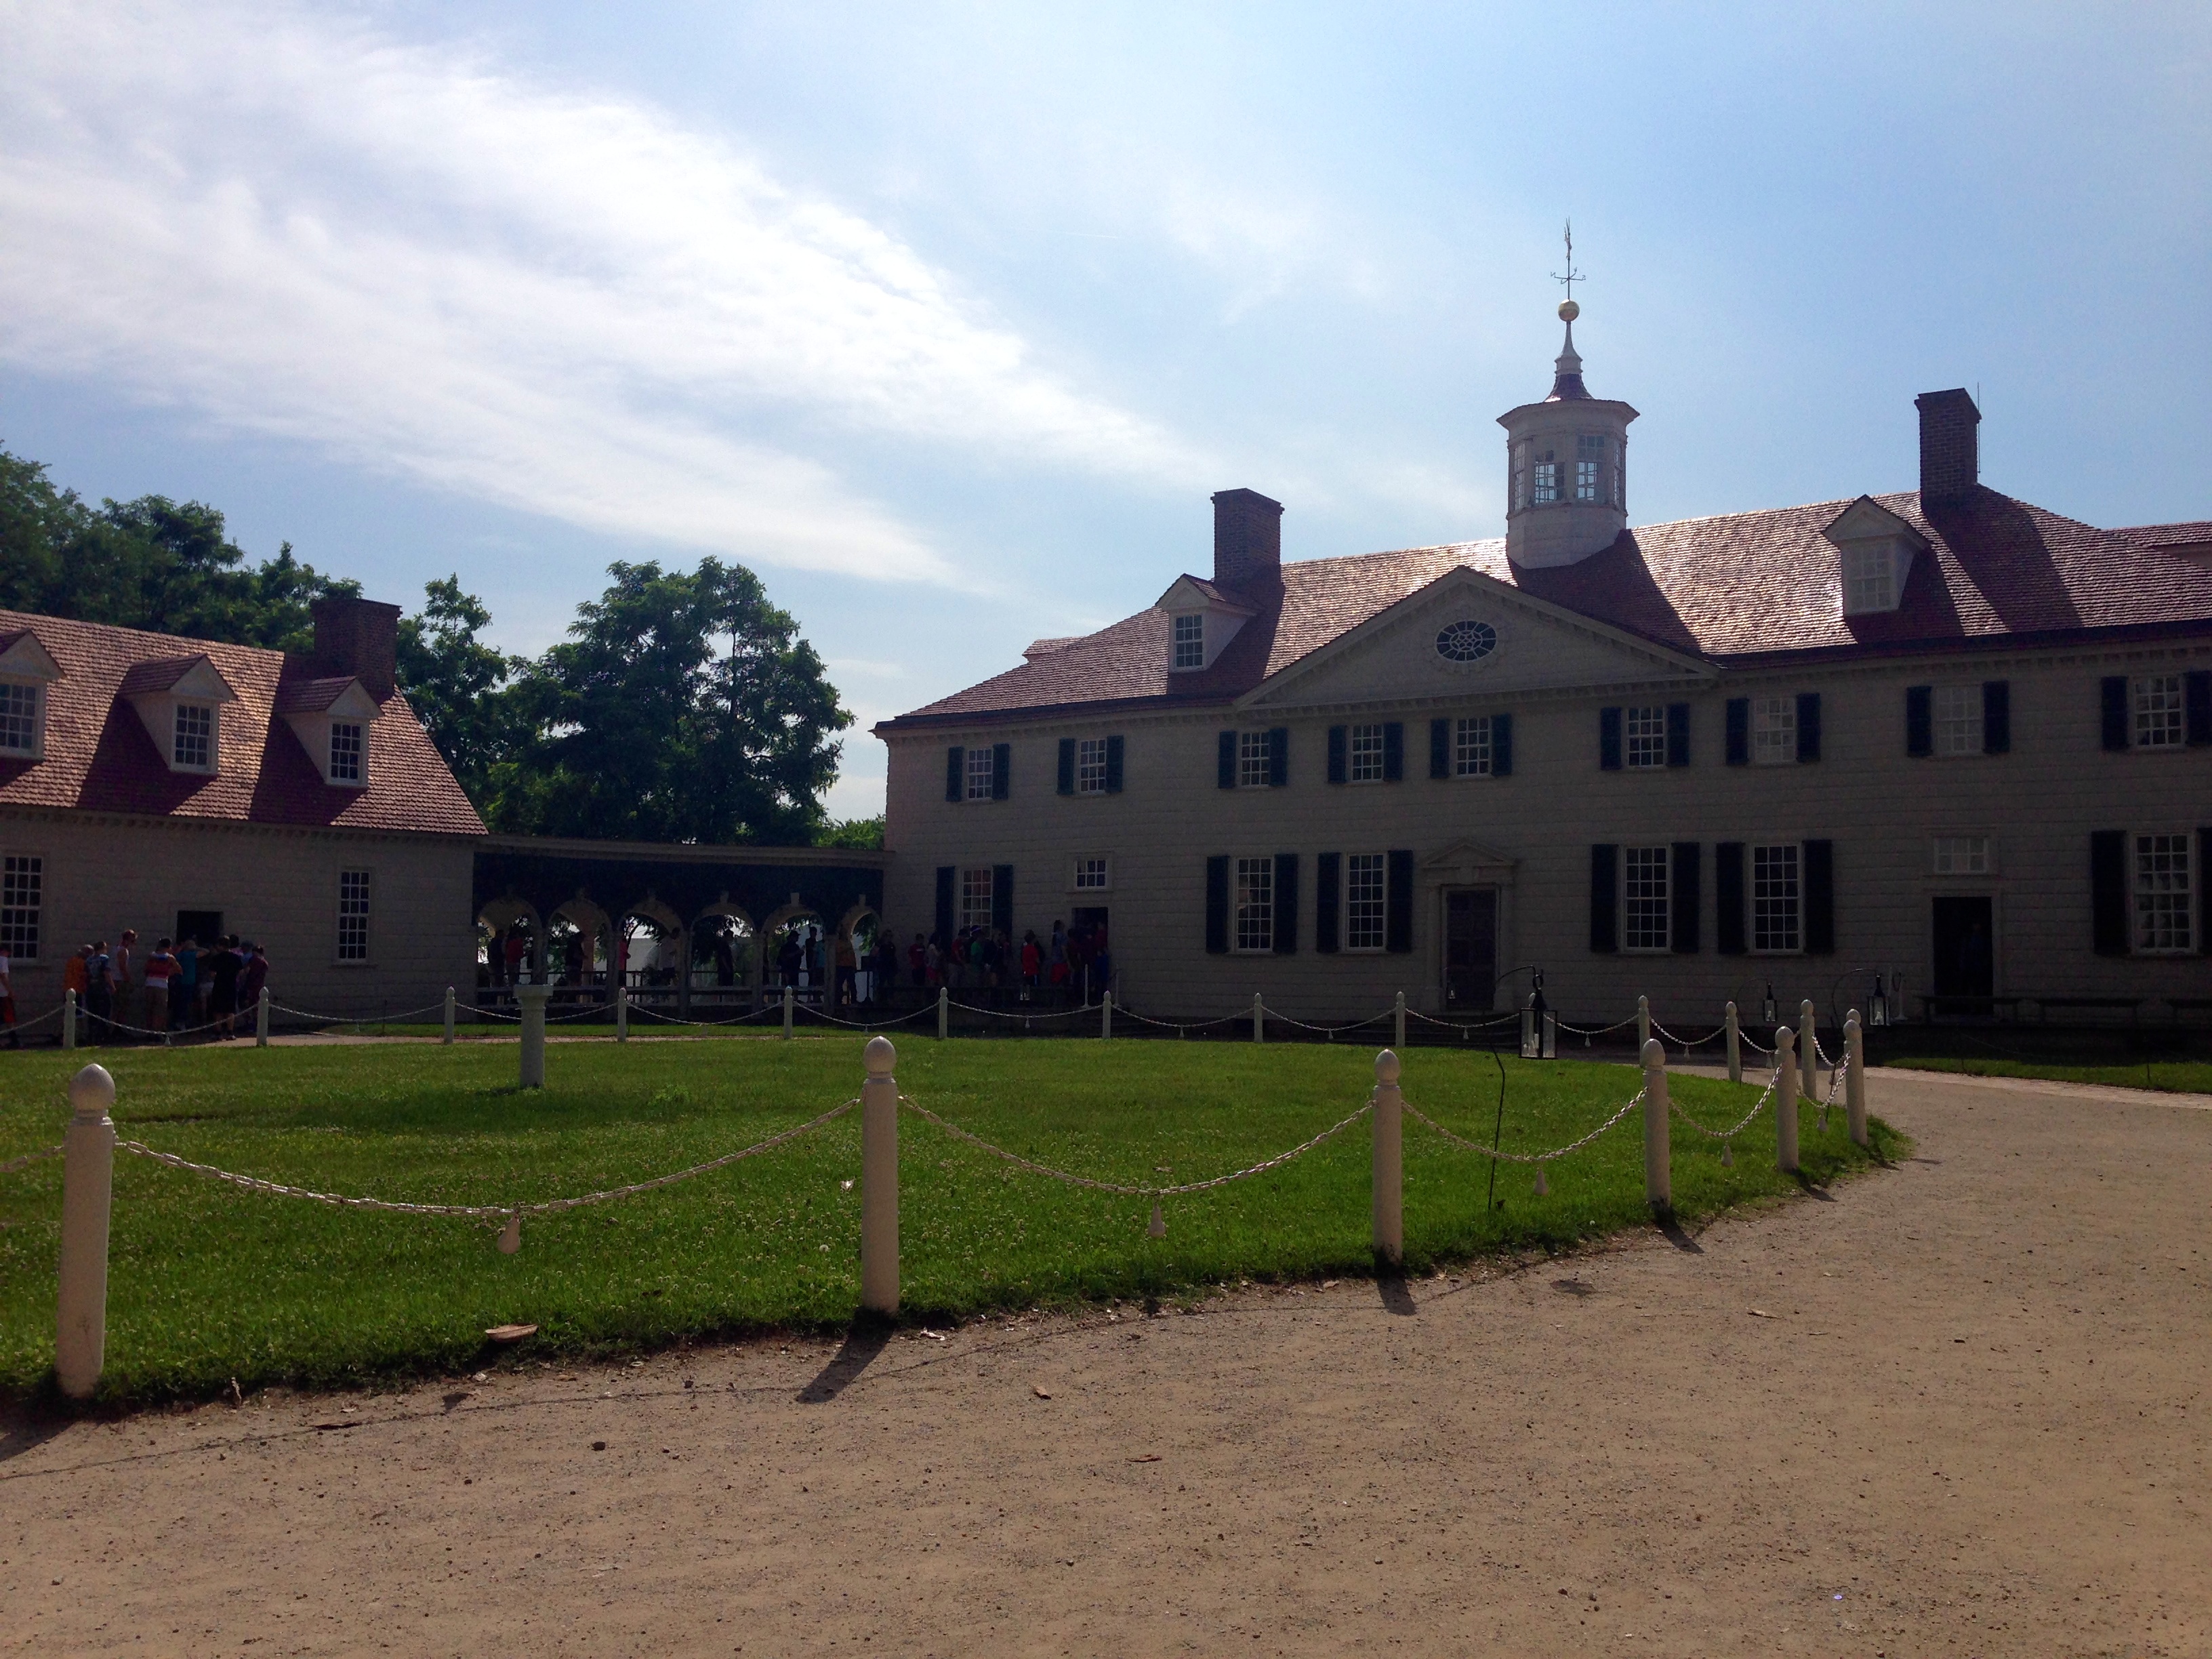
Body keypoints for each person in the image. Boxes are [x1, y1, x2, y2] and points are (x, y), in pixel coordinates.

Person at [209, 934, 244, 1038]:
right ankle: (230, 1032)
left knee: (218, 1010)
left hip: (219, 986)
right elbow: (241, 972)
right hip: (231, 986)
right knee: (230, 1010)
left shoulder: (216, 958)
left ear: (221, 946)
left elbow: (212, 974)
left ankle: (218, 1033)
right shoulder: (236, 958)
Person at [142, 938, 177, 1034]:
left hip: (150, 983)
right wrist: (168, 973)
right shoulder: (170, 958)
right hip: (162, 985)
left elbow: (145, 969)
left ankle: (149, 1031)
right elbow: (178, 969)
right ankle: (157, 1031)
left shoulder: (152, 956)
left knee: (150, 1009)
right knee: (160, 1010)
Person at [84, 940, 114, 1042]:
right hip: (102, 987)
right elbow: (107, 973)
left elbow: (86, 974)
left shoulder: (89, 960)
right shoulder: (104, 958)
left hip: (91, 988)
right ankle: (102, 1035)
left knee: (92, 1012)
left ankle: (92, 1035)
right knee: (104, 1011)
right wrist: (112, 986)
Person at [239, 943, 269, 1025]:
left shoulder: (254, 960)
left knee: (246, 1005)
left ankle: (248, 1023)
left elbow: (247, 970)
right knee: (257, 1006)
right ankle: (257, 1024)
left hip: (251, 985)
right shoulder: (265, 962)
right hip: (260, 986)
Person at [114, 928, 138, 1032]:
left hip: (115, 979)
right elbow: (122, 967)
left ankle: (117, 1028)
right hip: (119, 981)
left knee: (118, 1005)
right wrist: (129, 980)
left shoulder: (116, 949)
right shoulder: (123, 951)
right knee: (122, 1005)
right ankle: (118, 1029)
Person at [175, 935, 201, 1029]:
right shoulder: (191, 955)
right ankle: (182, 1022)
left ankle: (181, 1022)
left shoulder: (180, 955)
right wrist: (196, 948)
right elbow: (206, 951)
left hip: (181, 981)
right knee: (186, 1003)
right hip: (188, 982)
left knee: (182, 1003)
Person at [0, 941, 17, 1048]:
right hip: (3, 993)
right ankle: (13, 1040)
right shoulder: (3, 960)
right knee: (9, 1017)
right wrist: (10, 991)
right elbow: (3, 977)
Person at [834, 933, 857, 1007]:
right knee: (839, 984)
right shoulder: (838, 943)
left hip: (850, 966)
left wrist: (854, 965)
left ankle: (854, 999)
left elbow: (852, 954)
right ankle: (838, 1000)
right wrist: (846, 949)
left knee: (852, 984)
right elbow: (838, 952)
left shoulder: (849, 943)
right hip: (841, 966)